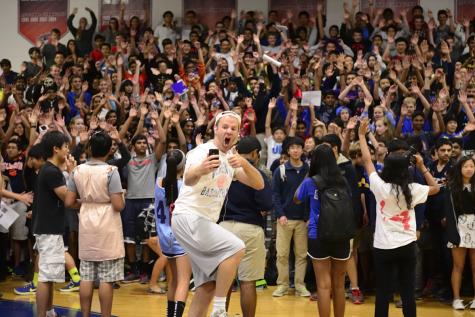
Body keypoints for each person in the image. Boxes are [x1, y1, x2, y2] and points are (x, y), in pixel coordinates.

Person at [171, 111, 264, 317]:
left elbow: (259, 184)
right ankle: (220, 309)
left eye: (233, 128)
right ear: (216, 129)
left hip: (202, 223)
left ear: (238, 134)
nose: (228, 131)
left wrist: (245, 163)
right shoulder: (202, 151)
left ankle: (212, 306)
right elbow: (188, 179)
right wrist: (201, 170)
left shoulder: (232, 159)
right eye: (225, 127)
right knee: (237, 247)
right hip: (188, 216)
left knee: (207, 286)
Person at [358, 119, 440, 317]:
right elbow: (436, 188)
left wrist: (362, 136)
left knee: (383, 293)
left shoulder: (380, 187)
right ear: (406, 170)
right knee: (407, 293)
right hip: (407, 246)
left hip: (383, 247)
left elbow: (368, 161)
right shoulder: (413, 189)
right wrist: (422, 167)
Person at [65, 131, 125, 317]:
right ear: (109, 151)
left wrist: (85, 203)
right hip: (107, 225)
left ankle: (84, 315)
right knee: (107, 278)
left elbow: (69, 202)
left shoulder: (77, 171)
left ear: (89, 148)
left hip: (87, 223)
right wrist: (122, 197)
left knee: (87, 275)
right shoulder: (110, 172)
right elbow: (118, 205)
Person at [294, 144, 353, 317]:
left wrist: (309, 173)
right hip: (341, 235)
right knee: (339, 285)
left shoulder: (311, 181)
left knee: (323, 285)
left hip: (317, 234)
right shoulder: (343, 181)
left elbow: (296, 198)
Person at [219, 136, 273, 317]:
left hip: (224, 228)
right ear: (255, 154)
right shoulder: (257, 173)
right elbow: (266, 204)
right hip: (250, 228)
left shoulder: (225, 170)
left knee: (224, 282)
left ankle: (221, 314)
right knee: (248, 282)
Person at [31, 131, 75, 317]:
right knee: (45, 277)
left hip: (50, 228)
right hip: (48, 229)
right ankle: (43, 314)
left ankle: (49, 311)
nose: (68, 150)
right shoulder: (50, 171)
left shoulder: (51, 170)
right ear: (56, 149)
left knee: (49, 277)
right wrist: (72, 173)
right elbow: (68, 198)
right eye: (65, 147)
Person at [271, 136, 311, 298]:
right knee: (282, 254)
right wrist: (280, 214)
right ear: (287, 151)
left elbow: (310, 195)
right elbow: (275, 195)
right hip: (284, 219)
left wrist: (309, 216)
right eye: (292, 147)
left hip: (303, 220)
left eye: (298, 147)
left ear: (303, 150)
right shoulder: (280, 170)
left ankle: (300, 285)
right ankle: (283, 285)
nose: (295, 150)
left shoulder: (308, 170)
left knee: (302, 255)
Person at [154, 149, 191, 317]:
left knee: (173, 281)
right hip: (180, 236)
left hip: (164, 237)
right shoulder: (185, 186)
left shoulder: (158, 182)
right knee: (184, 281)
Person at [445, 156, 475, 310]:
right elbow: (450, 214)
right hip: (459, 227)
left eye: (471, 166)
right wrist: (453, 233)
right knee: (458, 266)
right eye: (465, 166)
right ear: (460, 169)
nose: (469, 169)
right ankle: (457, 298)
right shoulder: (452, 188)